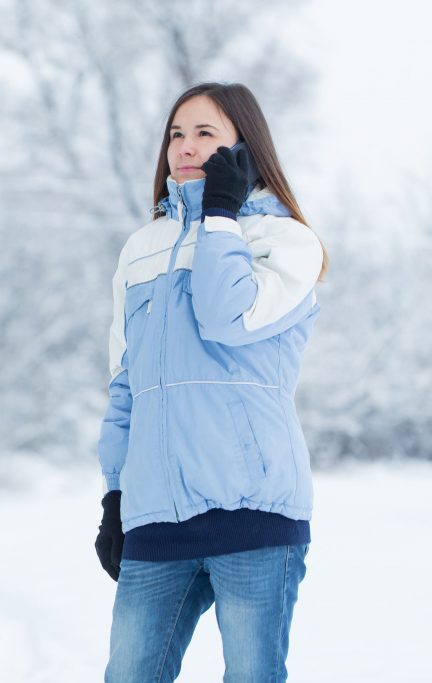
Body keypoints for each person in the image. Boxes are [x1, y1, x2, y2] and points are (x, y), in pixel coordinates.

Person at [94, 82, 329, 683]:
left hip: (253, 510)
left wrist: (220, 217)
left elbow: (228, 316)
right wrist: (116, 495)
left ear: (243, 148)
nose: (186, 147)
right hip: (155, 516)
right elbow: (125, 387)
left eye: (206, 133)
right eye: (177, 133)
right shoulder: (141, 250)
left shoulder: (286, 243)